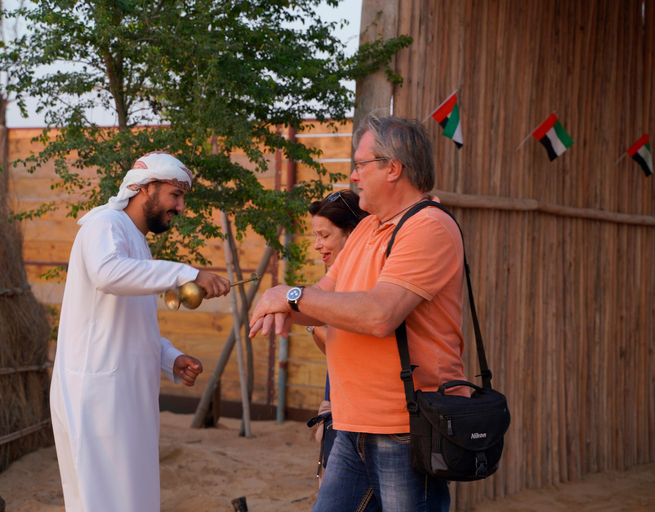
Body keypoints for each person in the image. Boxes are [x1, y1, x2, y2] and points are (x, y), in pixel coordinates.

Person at [250, 115, 467, 511]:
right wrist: (282, 307)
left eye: (360, 164)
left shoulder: (428, 227)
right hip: (353, 425)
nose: (352, 175)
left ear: (392, 168)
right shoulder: (368, 228)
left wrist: (292, 295)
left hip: (405, 428)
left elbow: (379, 315)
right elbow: (325, 297)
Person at [50, 152, 230, 512]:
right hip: (96, 395)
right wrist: (187, 273)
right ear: (146, 188)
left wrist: (170, 359)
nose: (179, 207)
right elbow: (108, 275)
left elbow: (132, 323)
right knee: (101, 503)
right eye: (174, 195)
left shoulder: (138, 244)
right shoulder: (105, 224)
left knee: (133, 501)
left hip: (123, 395)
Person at [305, 190, 367, 487]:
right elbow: (333, 351)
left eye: (325, 236)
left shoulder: (366, 283)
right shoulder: (335, 280)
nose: (318, 245)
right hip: (338, 401)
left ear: (352, 234)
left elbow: (355, 346)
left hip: (361, 411)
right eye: (316, 236)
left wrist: (312, 322)